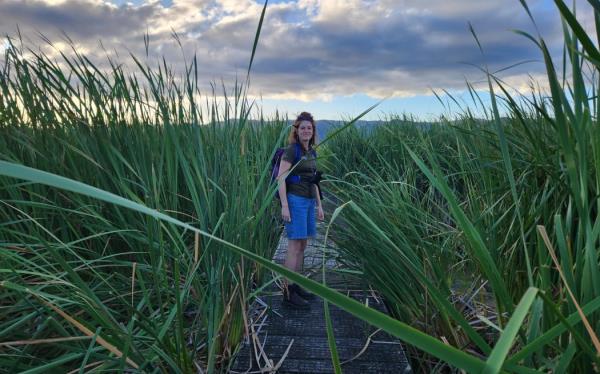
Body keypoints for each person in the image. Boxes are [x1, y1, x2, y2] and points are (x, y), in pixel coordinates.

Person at [277, 111, 324, 309]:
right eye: (303, 127)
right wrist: (285, 205)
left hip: (308, 202)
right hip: (295, 201)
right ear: (297, 131)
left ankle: (296, 285)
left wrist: (320, 205)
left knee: (303, 246)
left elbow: (314, 181)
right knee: (294, 247)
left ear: (313, 132)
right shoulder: (292, 150)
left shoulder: (311, 152)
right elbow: (281, 178)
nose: (306, 130)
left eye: (309, 128)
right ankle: (288, 292)